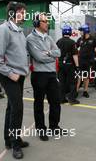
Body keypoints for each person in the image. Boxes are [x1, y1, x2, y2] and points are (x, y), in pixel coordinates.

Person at [0, 2, 29, 159]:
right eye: (21, 12)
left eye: (25, 12)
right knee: (17, 109)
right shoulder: (3, 30)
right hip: (10, 76)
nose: (24, 15)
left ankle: (9, 139)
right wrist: (10, 73)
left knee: (11, 108)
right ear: (12, 13)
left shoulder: (18, 31)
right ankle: (15, 144)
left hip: (19, 76)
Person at [26, 12, 63, 141]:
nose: (47, 23)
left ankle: (54, 126)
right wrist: (50, 57)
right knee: (39, 104)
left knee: (56, 101)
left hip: (52, 74)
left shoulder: (48, 38)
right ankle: (41, 129)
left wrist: (48, 53)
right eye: (45, 21)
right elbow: (39, 57)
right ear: (37, 23)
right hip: (39, 75)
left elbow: (58, 52)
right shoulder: (30, 38)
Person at [57, 25, 80, 105]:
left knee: (61, 82)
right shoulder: (72, 42)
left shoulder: (58, 41)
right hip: (70, 65)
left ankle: (61, 98)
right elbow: (75, 55)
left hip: (60, 64)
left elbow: (56, 54)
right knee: (73, 82)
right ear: (70, 32)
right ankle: (72, 99)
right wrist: (77, 66)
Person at [76, 24, 96, 98]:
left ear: (85, 31)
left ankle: (85, 91)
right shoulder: (80, 39)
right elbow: (75, 48)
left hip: (88, 61)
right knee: (79, 76)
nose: (80, 32)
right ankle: (76, 91)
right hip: (80, 61)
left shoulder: (93, 39)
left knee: (86, 77)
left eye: (81, 31)